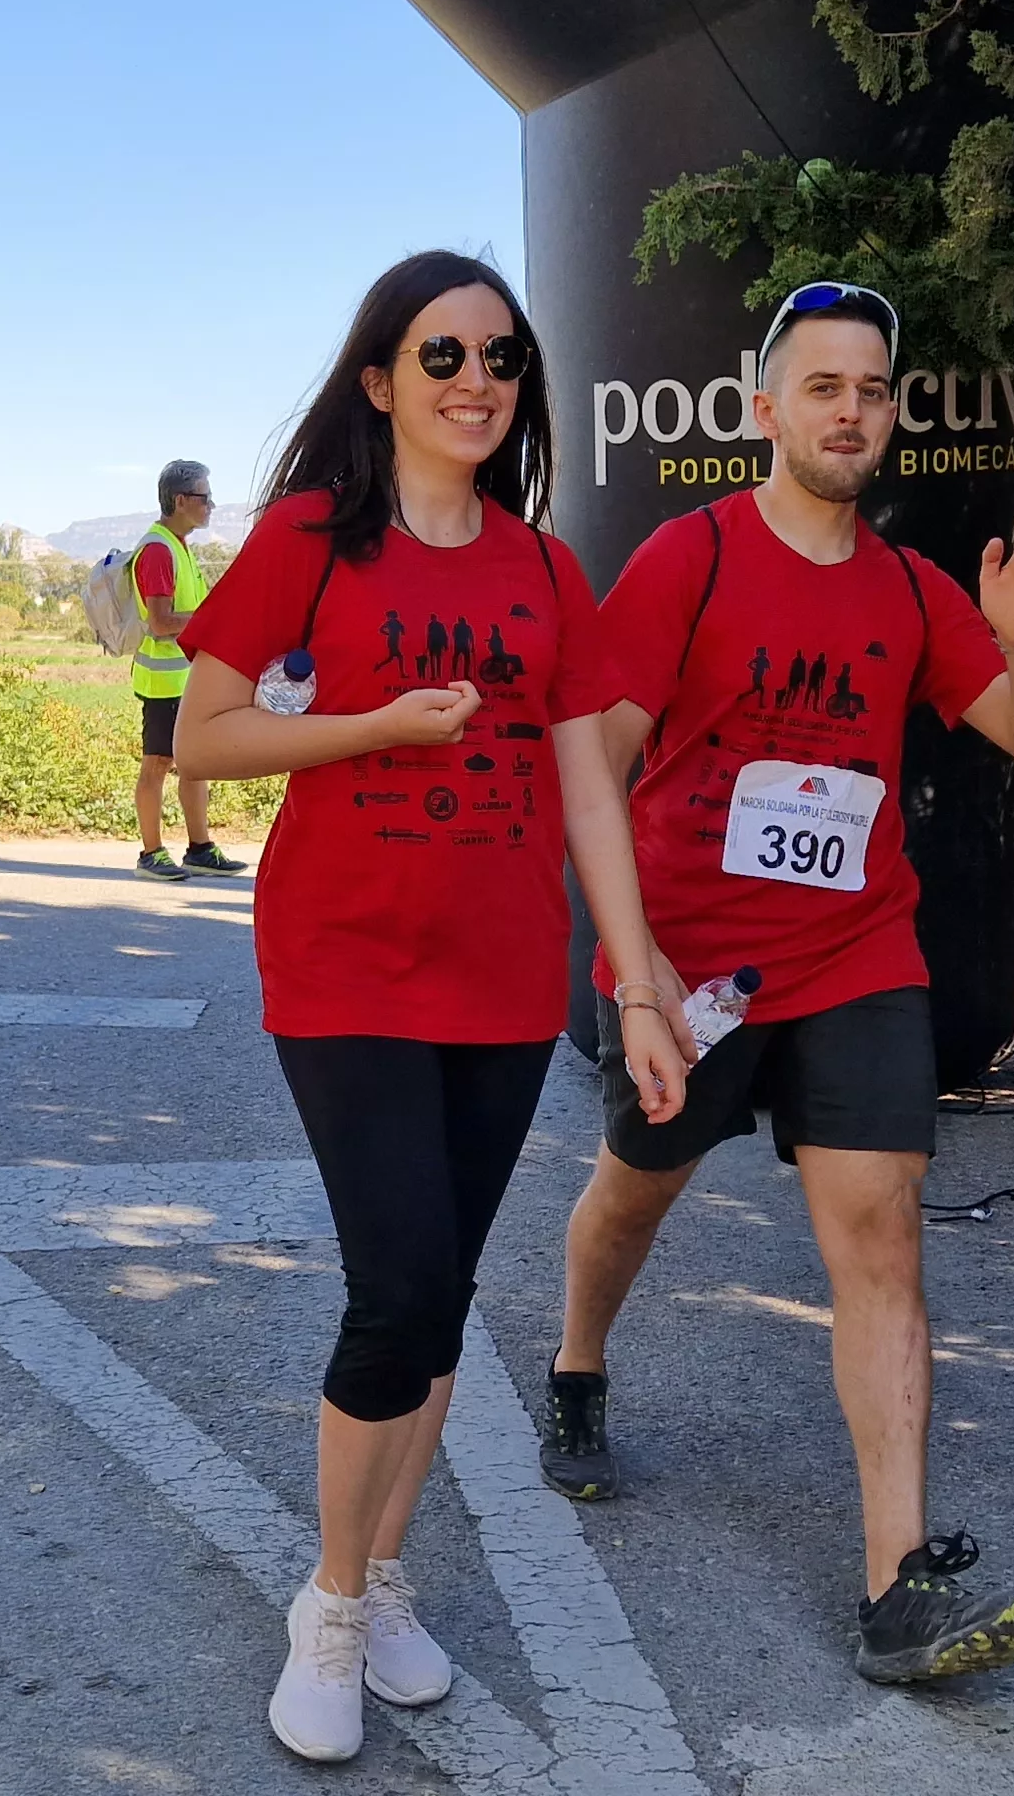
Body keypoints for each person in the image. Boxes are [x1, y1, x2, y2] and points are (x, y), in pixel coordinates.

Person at [168, 252, 688, 1764]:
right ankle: (328, 1602)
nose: (476, 381)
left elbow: (590, 780)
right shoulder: (317, 538)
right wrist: (374, 727)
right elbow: (206, 735)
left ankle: (384, 1576)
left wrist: (636, 986)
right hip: (345, 969)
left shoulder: (541, 568)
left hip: (503, 980)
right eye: (442, 354)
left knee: (446, 1294)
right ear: (382, 379)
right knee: (396, 1286)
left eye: (502, 360)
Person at [539, 280, 1014, 1684]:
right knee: (633, 1195)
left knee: (882, 1244)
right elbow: (590, 767)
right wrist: (637, 974)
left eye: (874, 391)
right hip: (689, 967)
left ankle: (897, 1584)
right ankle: (580, 1366)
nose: (853, 411)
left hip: (855, 960)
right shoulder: (691, 560)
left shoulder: (909, 590)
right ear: (767, 410)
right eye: (824, 387)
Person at [128, 458, 239, 881]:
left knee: (194, 761)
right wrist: (216, 622)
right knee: (157, 763)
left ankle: (200, 848)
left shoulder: (178, 546)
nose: (211, 505)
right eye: (204, 497)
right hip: (163, 682)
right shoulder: (158, 550)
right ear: (180, 500)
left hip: (186, 679)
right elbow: (161, 622)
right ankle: (151, 853)